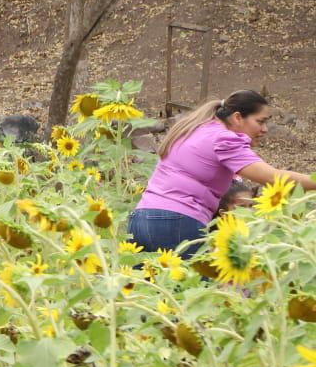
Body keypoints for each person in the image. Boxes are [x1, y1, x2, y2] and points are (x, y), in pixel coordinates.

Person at [127, 90, 315, 254]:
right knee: (198, 292)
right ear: (237, 117)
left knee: (151, 290)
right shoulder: (224, 139)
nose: (265, 129)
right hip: (177, 221)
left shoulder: (197, 129)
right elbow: (273, 178)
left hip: (141, 219)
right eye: (260, 121)